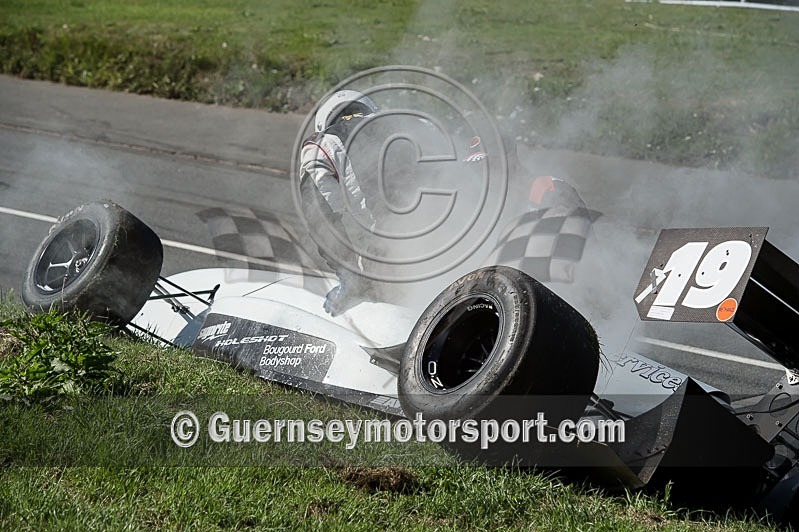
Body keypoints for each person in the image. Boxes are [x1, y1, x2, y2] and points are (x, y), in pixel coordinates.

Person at [298, 90, 378, 316]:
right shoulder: (418, 123)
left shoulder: (323, 145)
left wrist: (350, 278)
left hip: (391, 261)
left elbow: (321, 217)